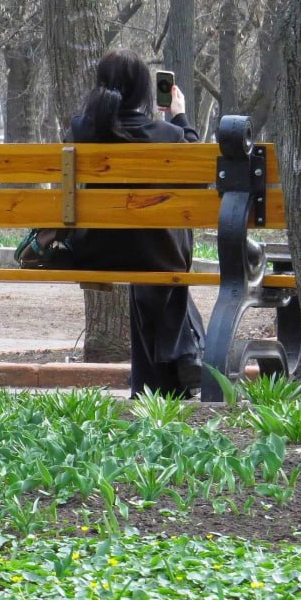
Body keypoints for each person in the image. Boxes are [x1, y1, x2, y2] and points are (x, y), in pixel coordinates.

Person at [63, 49, 206, 398]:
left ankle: (160, 378)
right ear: (144, 92)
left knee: (148, 256)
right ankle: (186, 350)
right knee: (163, 243)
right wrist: (180, 116)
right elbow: (197, 178)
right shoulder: (167, 134)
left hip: (95, 252)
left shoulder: (81, 130)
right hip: (157, 254)